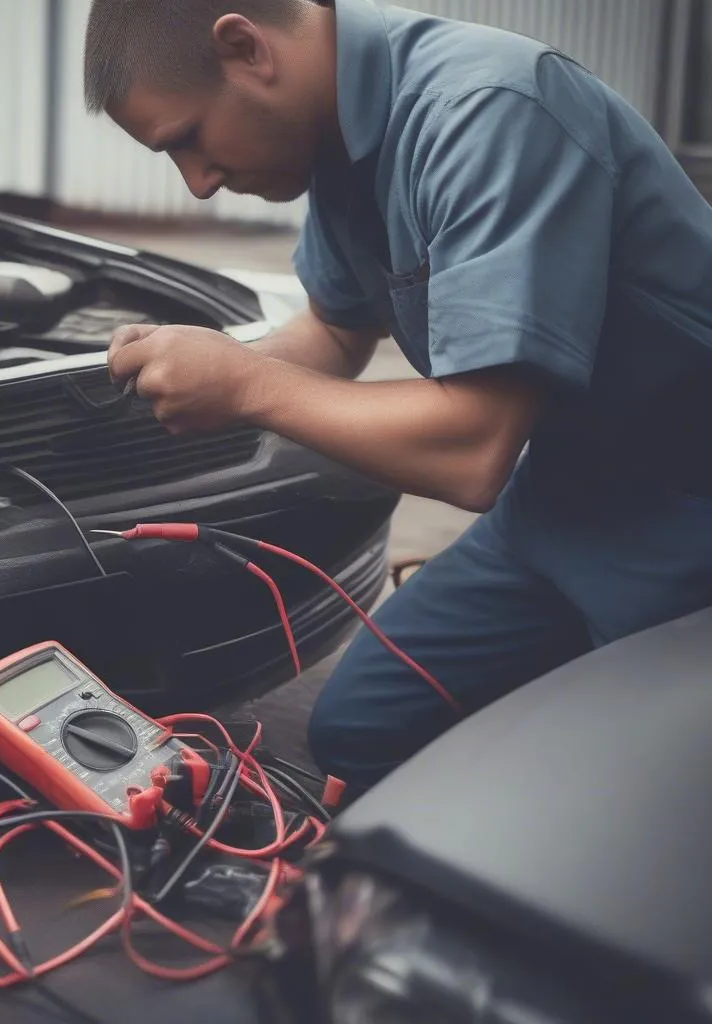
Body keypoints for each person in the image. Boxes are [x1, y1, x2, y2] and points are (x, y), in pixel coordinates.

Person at [83, 0, 712, 794]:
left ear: (246, 47)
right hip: (561, 499)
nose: (199, 184)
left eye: (188, 139)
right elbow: (334, 336)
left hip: (687, 514)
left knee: (633, 810)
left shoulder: (487, 112)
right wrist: (198, 370)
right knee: (358, 731)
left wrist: (246, 384)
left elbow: (473, 449)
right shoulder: (335, 140)